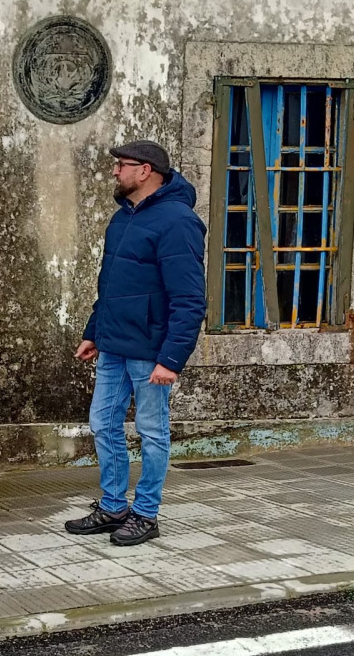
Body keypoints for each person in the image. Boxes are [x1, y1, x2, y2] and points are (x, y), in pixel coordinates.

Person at [65, 140, 206, 546]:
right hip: (113, 344)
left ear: (145, 171)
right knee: (103, 423)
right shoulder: (122, 219)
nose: (115, 172)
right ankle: (113, 506)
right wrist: (95, 331)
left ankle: (145, 514)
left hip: (151, 353)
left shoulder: (178, 221)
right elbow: (110, 286)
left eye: (122, 165)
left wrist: (171, 359)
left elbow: (189, 298)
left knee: (151, 430)